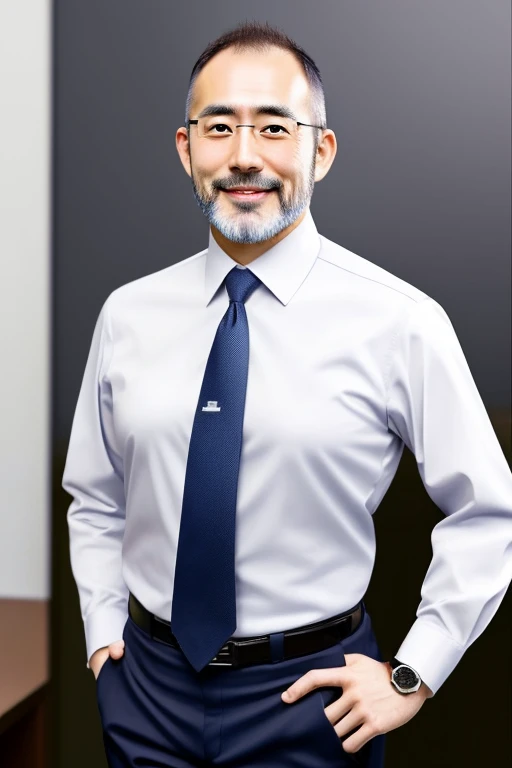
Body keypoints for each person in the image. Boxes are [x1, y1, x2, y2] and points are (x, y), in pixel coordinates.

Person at [62, 20, 512, 768]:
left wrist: (414, 672)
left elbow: (492, 510)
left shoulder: (400, 321)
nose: (245, 156)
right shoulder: (127, 314)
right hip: (146, 691)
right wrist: (105, 634)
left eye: (275, 127)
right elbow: (95, 494)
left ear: (320, 150)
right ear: (186, 149)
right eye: (219, 128)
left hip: (313, 703)